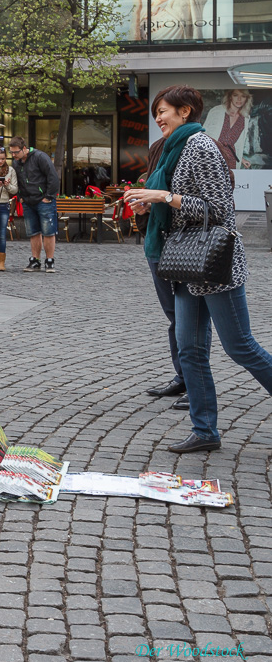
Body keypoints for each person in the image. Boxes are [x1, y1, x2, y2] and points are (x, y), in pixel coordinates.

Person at [123, 84, 272, 454]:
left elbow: (219, 210)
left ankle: (206, 429)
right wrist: (151, 205)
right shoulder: (174, 148)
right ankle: (205, 431)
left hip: (214, 265)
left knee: (240, 348)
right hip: (187, 265)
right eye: (156, 112)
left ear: (185, 111)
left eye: (164, 111)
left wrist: (163, 197)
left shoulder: (202, 147)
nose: (158, 118)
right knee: (189, 349)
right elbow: (182, 206)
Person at [9, 136, 60, 272]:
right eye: (11, 152)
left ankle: (50, 261)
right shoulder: (16, 163)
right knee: (33, 232)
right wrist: (20, 197)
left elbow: (53, 177)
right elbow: (17, 180)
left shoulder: (40, 157)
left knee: (48, 232)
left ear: (24, 149)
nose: (13, 155)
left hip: (44, 200)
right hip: (27, 200)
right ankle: (35, 260)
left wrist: (49, 196)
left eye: (16, 152)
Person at [202, 89, 257, 170]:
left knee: (231, 182)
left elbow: (238, 144)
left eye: (243, 96)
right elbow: (204, 135)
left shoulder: (245, 117)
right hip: (213, 157)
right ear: (230, 97)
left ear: (247, 99)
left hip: (231, 160)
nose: (239, 99)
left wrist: (241, 159)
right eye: (235, 95)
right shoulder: (217, 111)